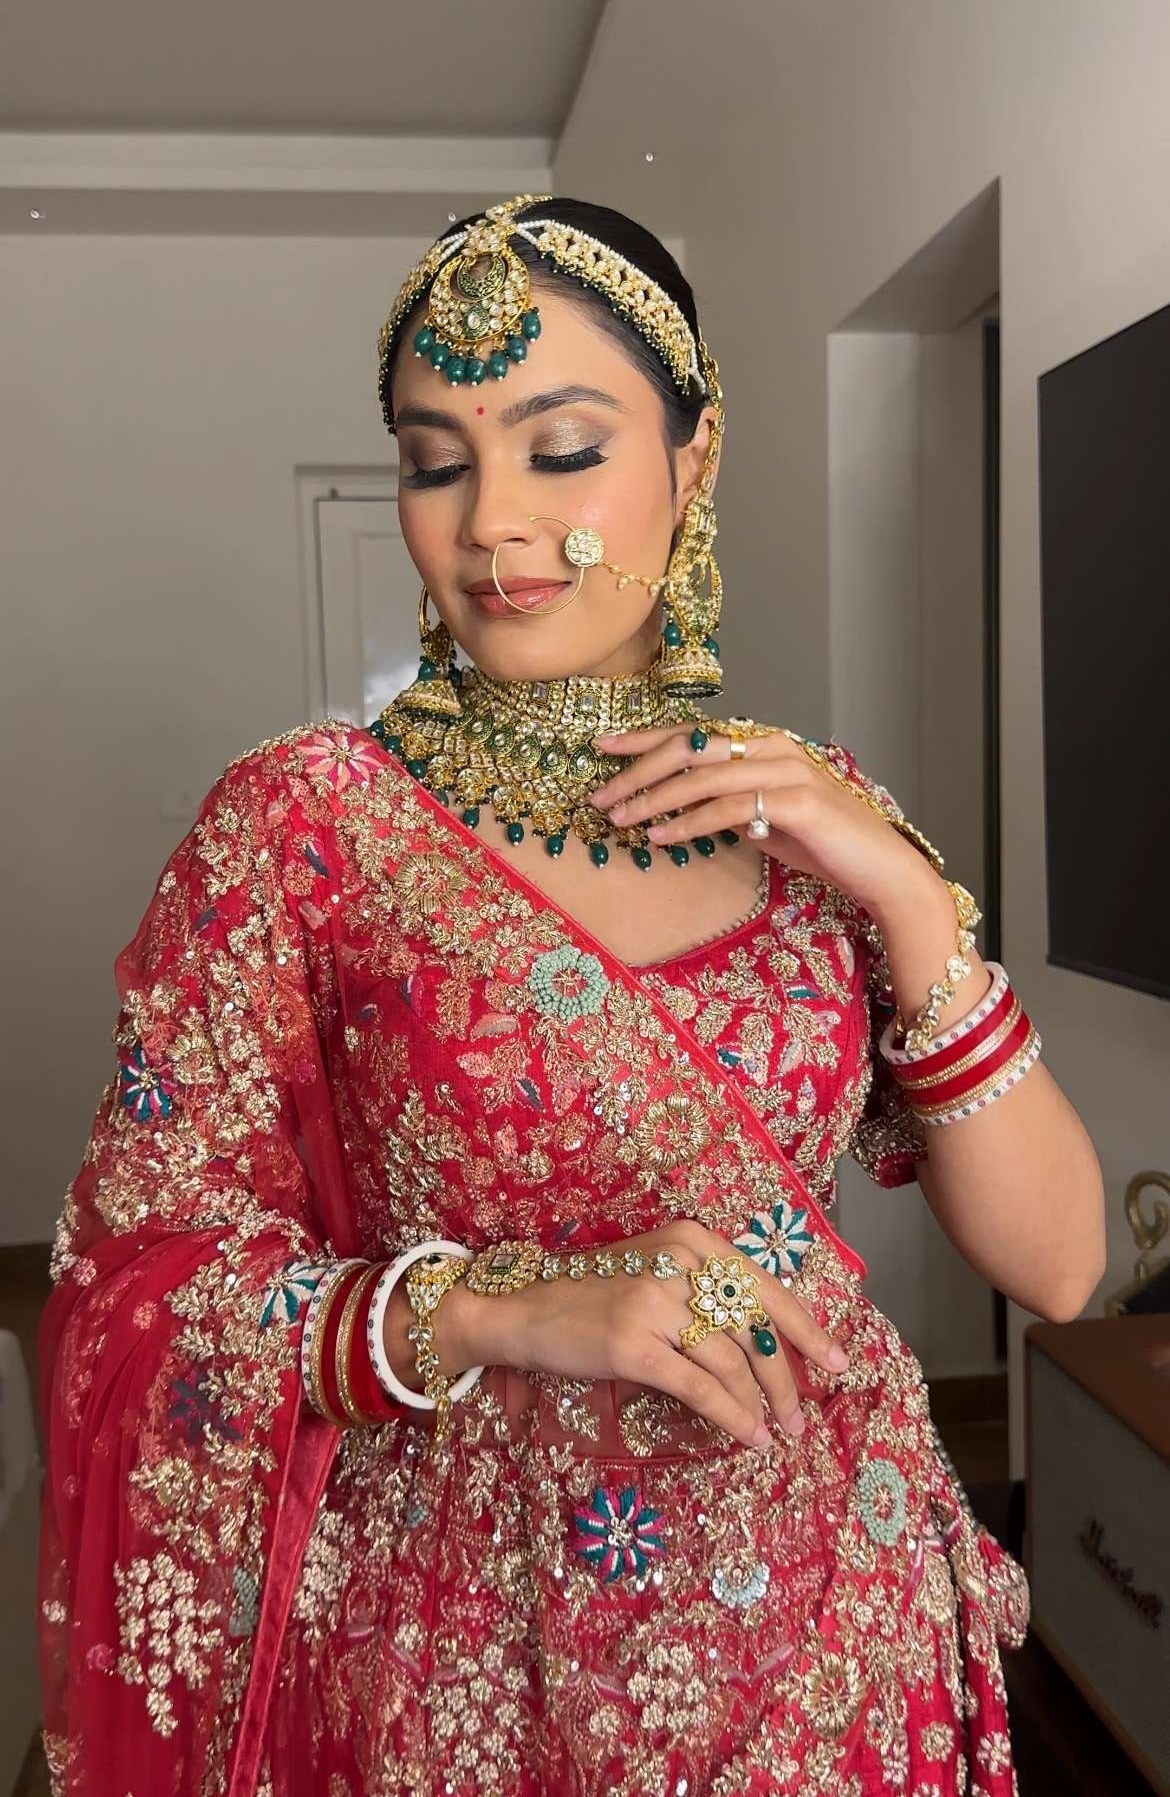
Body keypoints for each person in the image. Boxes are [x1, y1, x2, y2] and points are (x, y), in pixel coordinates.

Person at [38, 194, 1106, 1797]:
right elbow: (137, 1282)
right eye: (434, 462)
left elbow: (1062, 1265)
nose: (490, 524)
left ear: (694, 459)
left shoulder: (813, 818)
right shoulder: (304, 827)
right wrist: (494, 1308)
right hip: (472, 1650)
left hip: (834, 1635)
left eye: (559, 450)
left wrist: (898, 890)